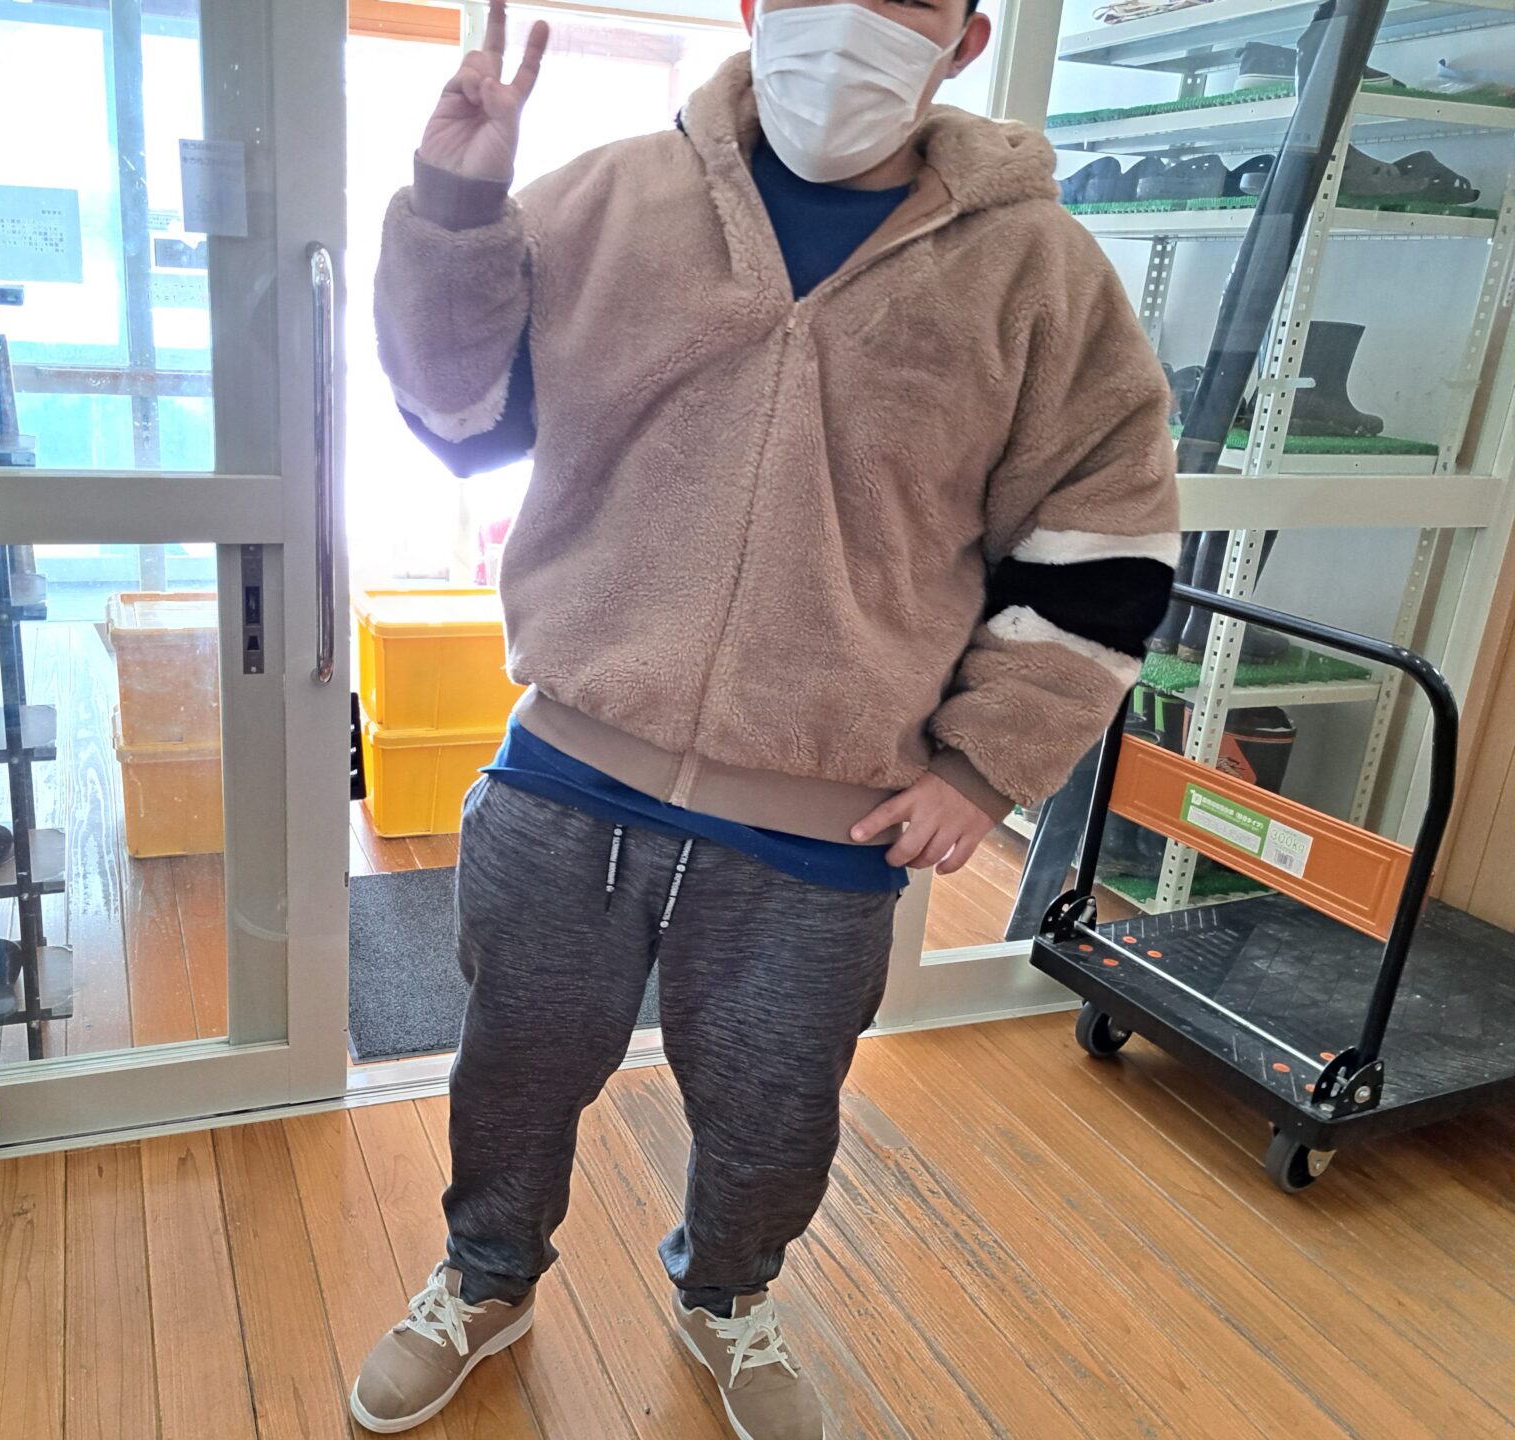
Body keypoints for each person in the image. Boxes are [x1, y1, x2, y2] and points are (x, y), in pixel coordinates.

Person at [355, 0, 1179, 1434]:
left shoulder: (1039, 274)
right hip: (569, 773)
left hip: (827, 820)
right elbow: (460, 413)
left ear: (964, 38)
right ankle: (485, 1279)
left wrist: (985, 769)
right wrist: (456, 210)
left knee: (775, 1108)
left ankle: (728, 1296)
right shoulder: (609, 199)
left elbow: (1103, 542)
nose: (849, 18)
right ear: (751, 8)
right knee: (515, 1072)